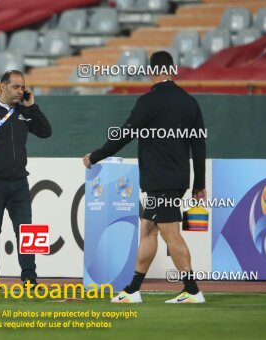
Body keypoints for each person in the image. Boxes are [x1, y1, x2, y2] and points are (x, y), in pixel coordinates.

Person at [83, 51, 207, 304]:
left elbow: (123, 135)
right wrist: (199, 184)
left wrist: (96, 156)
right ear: (173, 70)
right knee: (148, 230)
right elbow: (199, 145)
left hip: (161, 181)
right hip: (174, 180)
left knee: (170, 234)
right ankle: (133, 290)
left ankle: (193, 291)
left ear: (151, 71)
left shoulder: (148, 102)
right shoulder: (189, 102)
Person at [0, 70, 52, 287]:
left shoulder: (24, 111)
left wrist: (32, 106)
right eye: (16, 87)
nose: (20, 91)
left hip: (20, 183)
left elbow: (46, 132)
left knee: (27, 231)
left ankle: (30, 277)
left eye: (22, 87)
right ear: (2, 87)